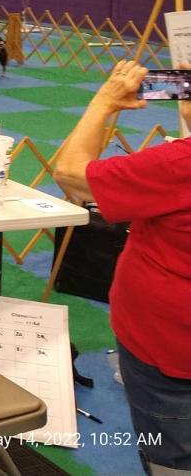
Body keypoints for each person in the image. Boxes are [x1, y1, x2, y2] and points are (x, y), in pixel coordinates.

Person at [53, 59, 191, 475]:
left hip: (170, 354)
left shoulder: (176, 166)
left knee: (172, 460)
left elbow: (69, 173)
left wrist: (104, 102)